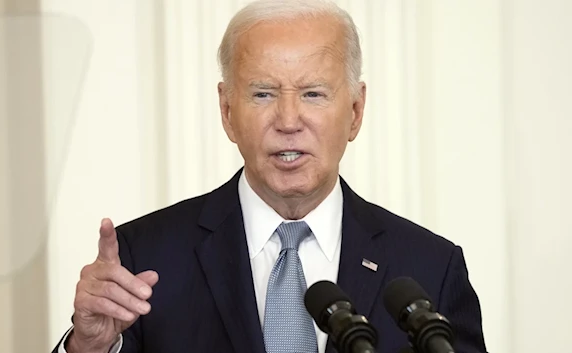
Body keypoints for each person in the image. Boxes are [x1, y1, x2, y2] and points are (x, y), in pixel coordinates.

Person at [53, 0, 487, 352]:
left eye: (313, 94)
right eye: (263, 93)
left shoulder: (431, 268)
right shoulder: (144, 262)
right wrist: (89, 347)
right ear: (227, 112)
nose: (288, 119)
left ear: (355, 112)